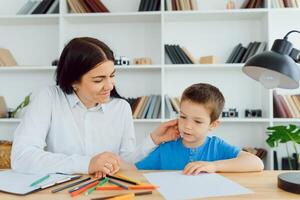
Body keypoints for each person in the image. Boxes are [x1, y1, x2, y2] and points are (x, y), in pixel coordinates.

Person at [11, 37, 179, 176]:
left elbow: (123, 160)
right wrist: (88, 164)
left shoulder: (121, 108)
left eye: (112, 76)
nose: (110, 86)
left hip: (105, 190)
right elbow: (21, 157)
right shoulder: (49, 98)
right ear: (73, 81)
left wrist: (153, 140)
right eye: (99, 80)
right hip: (58, 192)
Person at [135, 83, 264, 174]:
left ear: (213, 125)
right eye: (183, 117)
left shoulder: (216, 146)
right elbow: (136, 170)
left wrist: (214, 166)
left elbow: (257, 163)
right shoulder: (166, 148)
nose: (187, 126)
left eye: (197, 121)